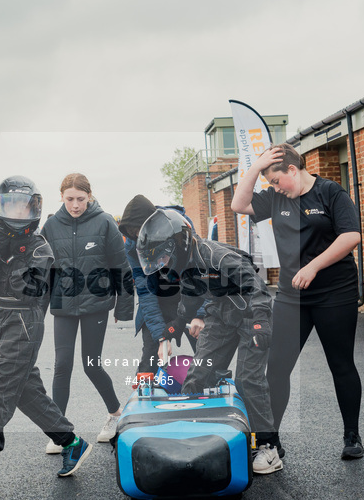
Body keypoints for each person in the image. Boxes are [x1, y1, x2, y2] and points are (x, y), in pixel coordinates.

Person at [0, 176, 92, 494]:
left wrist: (5, 264)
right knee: (26, 392)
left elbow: (28, 288)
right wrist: (4, 261)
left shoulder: (40, 248)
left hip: (26, 325)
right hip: (1, 321)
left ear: (33, 209)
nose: (16, 212)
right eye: (10, 205)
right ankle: (71, 442)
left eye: (22, 205)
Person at [232, 143, 364, 460]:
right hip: (293, 297)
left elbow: (351, 236)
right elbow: (239, 204)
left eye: (276, 180)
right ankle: (270, 439)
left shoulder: (331, 193)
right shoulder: (276, 198)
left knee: (341, 364)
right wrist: (255, 167)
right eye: (270, 184)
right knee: (276, 368)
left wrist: (314, 265)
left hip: (335, 292)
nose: (275, 187)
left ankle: (352, 435)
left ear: (293, 170)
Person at [136, 208, 282, 474]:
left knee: (248, 380)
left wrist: (261, 324)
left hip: (252, 314)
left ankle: (269, 447)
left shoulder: (217, 256)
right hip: (221, 313)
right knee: (198, 376)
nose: (163, 263)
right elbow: (190, 301)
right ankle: (197, 440)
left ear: (178, 244)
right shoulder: (185, 265)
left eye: (164, 256)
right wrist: (171, 330)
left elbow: (256, 287)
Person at [41, 173, 133, 453]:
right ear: (61, 197)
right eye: (69, 199)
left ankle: (115, 414)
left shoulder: (105, 222)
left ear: (89, 196)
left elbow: (121, 265)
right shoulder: (50, 225)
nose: (75, 205)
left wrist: (124, 306)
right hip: (63, 306)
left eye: (81, 199)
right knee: (61, 365)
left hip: (96, 304)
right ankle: (60, 431)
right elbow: (42, 271)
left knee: (91, 365)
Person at [119, 195, 200, 375]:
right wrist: (161, 335)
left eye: (141, 230)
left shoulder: (180, 226)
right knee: (150, 360)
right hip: (157, 300)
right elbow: (145, 291)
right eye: (134, 233)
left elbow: (197, 275)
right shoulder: (131, 246)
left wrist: (199, 315)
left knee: (207, 354)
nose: (140, 237)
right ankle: (144, 395)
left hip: (188, 298)